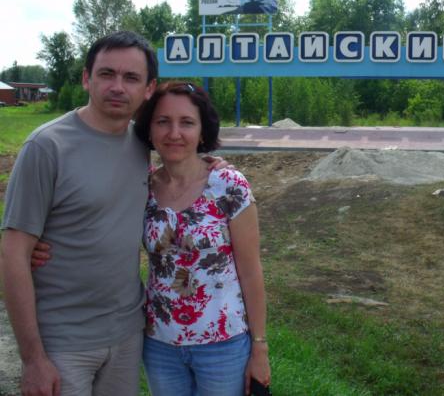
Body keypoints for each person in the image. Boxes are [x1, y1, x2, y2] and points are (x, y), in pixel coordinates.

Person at [0, 31, 225, 396]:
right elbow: (13, 253)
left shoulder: (141, 142)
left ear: (148, 88)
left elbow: (176, 163)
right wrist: (33, 359)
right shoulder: (46, 147)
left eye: (131, 77)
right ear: (86, 78)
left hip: (127, 333)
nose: (118, 87)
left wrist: (209, 166)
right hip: (62, 340)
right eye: (107, 74)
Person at [132, 81, 271, 395]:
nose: (174, 133)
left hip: (223, 346)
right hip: (159, 344)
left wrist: (260, 346)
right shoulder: (141, 187)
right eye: (163, 121)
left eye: (187, 122)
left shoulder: (228, 185)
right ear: (150, 130)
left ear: (202, 132)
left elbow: (251, 271)